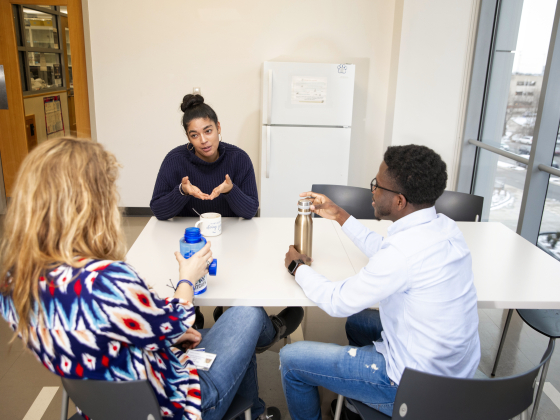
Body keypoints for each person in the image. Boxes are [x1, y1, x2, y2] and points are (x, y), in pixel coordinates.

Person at [0, 137, 296, 420]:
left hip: (103, 406)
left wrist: (170, 334)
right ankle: (265, 353)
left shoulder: (14, 284)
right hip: (178, 405)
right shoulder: (108, 281)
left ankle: (257, 391)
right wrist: (187, 279)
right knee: (247, 312)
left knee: (231, 330)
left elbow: (119, 332)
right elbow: (177, 322)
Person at [280, 145, 480, 420]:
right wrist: (340, 215)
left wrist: (296, 267)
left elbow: (337, 301)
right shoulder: (443, 227)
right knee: (357, 322)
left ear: (399, 201)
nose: (371, 191)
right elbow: (386, 250)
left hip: (413, 391)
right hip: (454, 374)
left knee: (291, 360)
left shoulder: (402, 254)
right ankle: (356, 402)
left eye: (377, 186)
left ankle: (375, 393)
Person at [150, 94, 259, 220]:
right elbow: (158, 210)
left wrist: (231, 190)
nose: (203, 140)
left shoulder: (239, 159)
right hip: (189, 234)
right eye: (194, 135)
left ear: (218, 127)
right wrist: (182, 191)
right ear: (188, 137)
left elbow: (251, 211)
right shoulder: (174, 160)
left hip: (230, 234)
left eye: (208, 131)